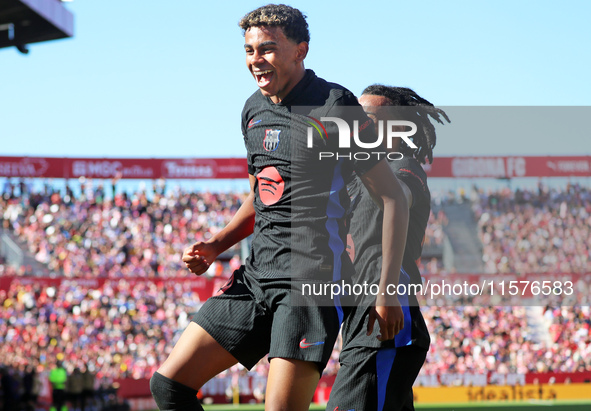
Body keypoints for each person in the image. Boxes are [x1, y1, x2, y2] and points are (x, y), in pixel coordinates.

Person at [150, 5, 409, 411]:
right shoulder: (252, 110)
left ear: (300, 51)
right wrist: (217, 243)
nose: (256, 59)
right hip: (255, 278)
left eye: (267, 49)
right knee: (168, 387)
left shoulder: (333, 105)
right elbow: (262, 192)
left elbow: (392, 196)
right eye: (250, 50)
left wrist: (386, 290)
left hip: (310, 283)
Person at [327, 85, 450, 411]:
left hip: (385, 312)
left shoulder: (402, 167)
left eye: (367, 118)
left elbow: (401, 198)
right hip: (363, 317)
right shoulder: (356, 176)